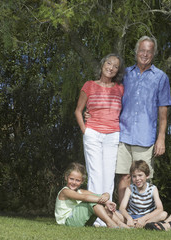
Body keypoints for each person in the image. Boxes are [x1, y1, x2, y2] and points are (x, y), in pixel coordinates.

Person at [116, 36, 171, 204]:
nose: (145, 54)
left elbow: (163, 111)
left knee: (142, 179)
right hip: (122, 133)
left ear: (154, 54)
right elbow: (111, 97)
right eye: (142, 50)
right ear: (136, 52)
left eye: (149, 51)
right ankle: (121, 214)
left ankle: (140, 214)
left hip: (145, 136)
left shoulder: (161, 77)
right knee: (124, 176)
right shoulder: (124, 74)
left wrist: (161, 138)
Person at [74, 53, 124, 225]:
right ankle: (96, 216)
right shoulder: (89, 85)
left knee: (108, 176)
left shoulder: (120, 88)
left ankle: (105, 219)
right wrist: (84, 130)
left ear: (118, 71)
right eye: (108, 63)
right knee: (95, 174)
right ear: (102, 64)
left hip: (113, 134)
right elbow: (78, 111)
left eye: (115, 66)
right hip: (93, 133)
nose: (111, 67)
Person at [55, 162, 128, 228]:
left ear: (82, 181)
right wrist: (106, 201)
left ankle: (120, 223)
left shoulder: (81, 191)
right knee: (91, 201)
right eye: (71, 179)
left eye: (77, 180)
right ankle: (111, 224)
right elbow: (85, 197)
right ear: (66, 177)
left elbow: (100, 195)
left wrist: (106, 195)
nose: (74, 182)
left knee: (96, 200)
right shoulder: (65, 191)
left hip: (83, 222)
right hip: (67, 222)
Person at [119, 160, 167, 228]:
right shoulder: (130, 188)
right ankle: (138, 224)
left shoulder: (153, 189)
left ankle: (142, 224)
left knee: (163, 214)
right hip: (132, 216)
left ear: (147, 175)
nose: (137, 179)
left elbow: (160, 208)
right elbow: (122, 208)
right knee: (113, 213)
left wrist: (143, 219)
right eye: (134, 176)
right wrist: (129, 218)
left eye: (140, 175)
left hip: (147, 217)